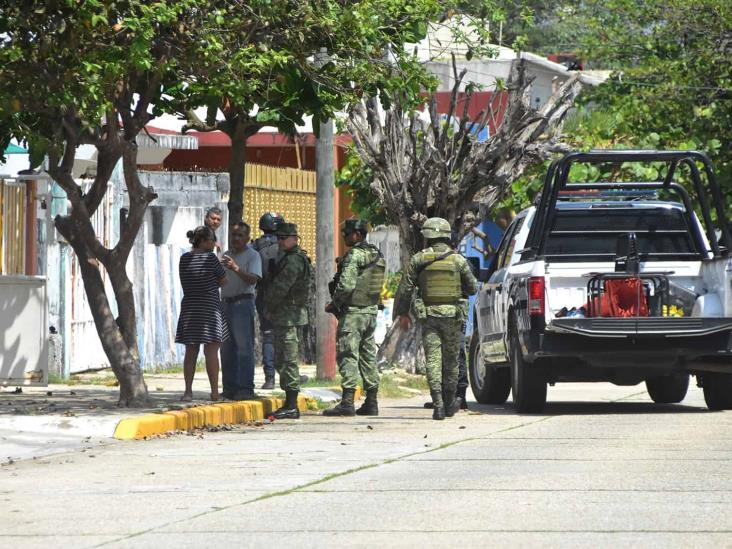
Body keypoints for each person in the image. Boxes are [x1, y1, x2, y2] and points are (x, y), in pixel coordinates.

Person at [393, 217, 479, 420]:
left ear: (428, 236)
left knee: (433, 360)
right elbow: (473, 287)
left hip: (429, 316)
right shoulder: (458, 260)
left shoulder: (418, 259)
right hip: (453, 317)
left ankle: (438, 405)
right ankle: (450, 404)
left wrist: (403, 313)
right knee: (451, 361)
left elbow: (405, 289)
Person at [323, 219, 385, 417]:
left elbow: (347, 285)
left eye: (347, 234)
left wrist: (335, 303)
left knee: (348, 355)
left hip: (353, 313)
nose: (345, 238)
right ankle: (372, 402)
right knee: (368, 356)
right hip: (370, 312)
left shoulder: (355, 255)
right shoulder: (377, 254)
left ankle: (347, 403)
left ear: (357, 234)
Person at [262, 223, 313, 419]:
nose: (280, 242)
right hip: (285, 315)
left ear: (294, 238)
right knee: (282, 359)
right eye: (279, 238)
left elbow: (281, 287)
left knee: (288, 360)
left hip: (289, 316)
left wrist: (269, 306)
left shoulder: (294, 261)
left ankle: (292, 405)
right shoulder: (288, 258)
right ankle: (289, 401)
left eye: (284, 238)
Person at [175, 225, 229, 402]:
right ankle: (214, 392)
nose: (215, 243)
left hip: (190, 308)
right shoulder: (211, 259)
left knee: (191, 351)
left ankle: (188, 392)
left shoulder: (184, 259)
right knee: (211, 351)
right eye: (212, 240)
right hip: (209, 308)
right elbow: (224, 281)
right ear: (205, 241)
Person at [220, 221, 262, 400]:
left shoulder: (253, 256)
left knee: (243, 348)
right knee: (226, 348)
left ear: (247, 238)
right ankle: (229, 387)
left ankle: (245, 388)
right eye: (233, 235)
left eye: (240, 235)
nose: (235, 238)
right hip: (225, 304)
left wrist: (236, 269)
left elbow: (253, 280)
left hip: (242, 304)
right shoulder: (226, 255)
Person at [252, 212, 284, 390]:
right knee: (285, 336)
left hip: (262, 294)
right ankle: (286, 374)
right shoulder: (283, 245)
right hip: (282, 297)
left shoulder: (255, 246)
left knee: (268, 336)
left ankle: (270, 377)